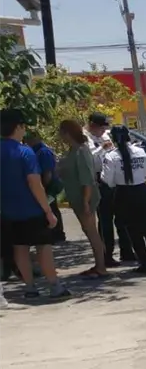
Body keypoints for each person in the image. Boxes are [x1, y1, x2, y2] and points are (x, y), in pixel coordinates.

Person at [0, 109, 70, 299]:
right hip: (32, 208)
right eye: (23, 126)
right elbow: (34, 182)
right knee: (43, 247)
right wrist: (48, 210)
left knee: (19, 247)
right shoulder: (25, 152)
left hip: (7, 210)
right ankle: (54, 286)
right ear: (18, 127)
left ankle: (30, 287)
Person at [103, 126, 146, 274]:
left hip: (123, 194)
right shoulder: (140, 151)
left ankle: (144, 262)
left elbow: (108, 180)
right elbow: (145, 172)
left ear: (113, 138)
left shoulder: (111, 156)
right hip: (142, 192)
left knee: (133, 231)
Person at [59, 120, 108, 278]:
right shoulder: (73, 151)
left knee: (92, 232)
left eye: (61, 132)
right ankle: (98, 265)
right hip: (77, 198)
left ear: (67, 132)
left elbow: (87, 179)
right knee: (88, 231)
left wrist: (86, 203)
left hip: (85, 199)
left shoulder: (82, 150)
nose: (60, 136)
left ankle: (101, 266)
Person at [87, 112, 135, 267]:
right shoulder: (85, 138)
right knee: (105, 220)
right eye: (102, 127)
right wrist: (102, 148)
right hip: (99, 179)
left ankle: (126, 251)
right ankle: (106, 255)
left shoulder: (105, 135)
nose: (104, 131)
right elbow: (89, 160)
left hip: (115, 177)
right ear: (93, 125)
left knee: (122, 216)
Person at [22, 131, 66, 243]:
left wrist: (44, 187)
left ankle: (57, 233)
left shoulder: (43, 152)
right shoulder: (35, 151)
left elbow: (47, 173)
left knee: (51, 207)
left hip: (50, 185)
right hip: (45, 184)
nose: (26, 141)